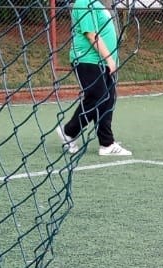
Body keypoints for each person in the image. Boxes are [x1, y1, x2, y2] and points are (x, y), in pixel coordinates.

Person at [57, 0, 130, 156]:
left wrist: (110, 60)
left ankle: (107, 143)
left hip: (102, 62)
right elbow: (91, 34)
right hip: (86, 59)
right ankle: (69, 131)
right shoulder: (84, 2)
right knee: (98, 96)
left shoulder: (96, 3)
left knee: (108, 98)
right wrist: (109, 58)